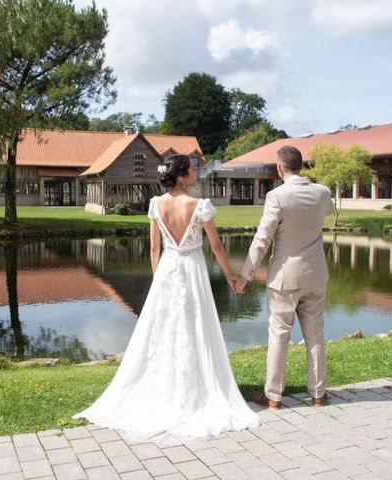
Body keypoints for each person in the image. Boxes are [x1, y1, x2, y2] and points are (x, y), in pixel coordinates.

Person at [73, 154, 260, 443]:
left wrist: (159, 279)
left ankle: (166, 384)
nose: (196, 173)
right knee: (196, 324)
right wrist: (230, 277)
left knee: (165, 329)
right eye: (193, 169)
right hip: (193, 269)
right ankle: (197, 386)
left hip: (168, 270)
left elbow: (153, 248)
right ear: (183, 174)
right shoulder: (200, 206)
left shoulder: (155, 205)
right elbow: (217, 246)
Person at [235, 145, 334, 409]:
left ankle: (274, 396)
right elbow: (330, 211)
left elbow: (262, 239)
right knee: (316, 336)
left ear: (279, 168)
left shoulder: (276, 196)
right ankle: (318, 394)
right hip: (315, 275)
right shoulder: (323, 193)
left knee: (279, 336)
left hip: (284, 278)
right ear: (302, 166)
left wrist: (245, 275)